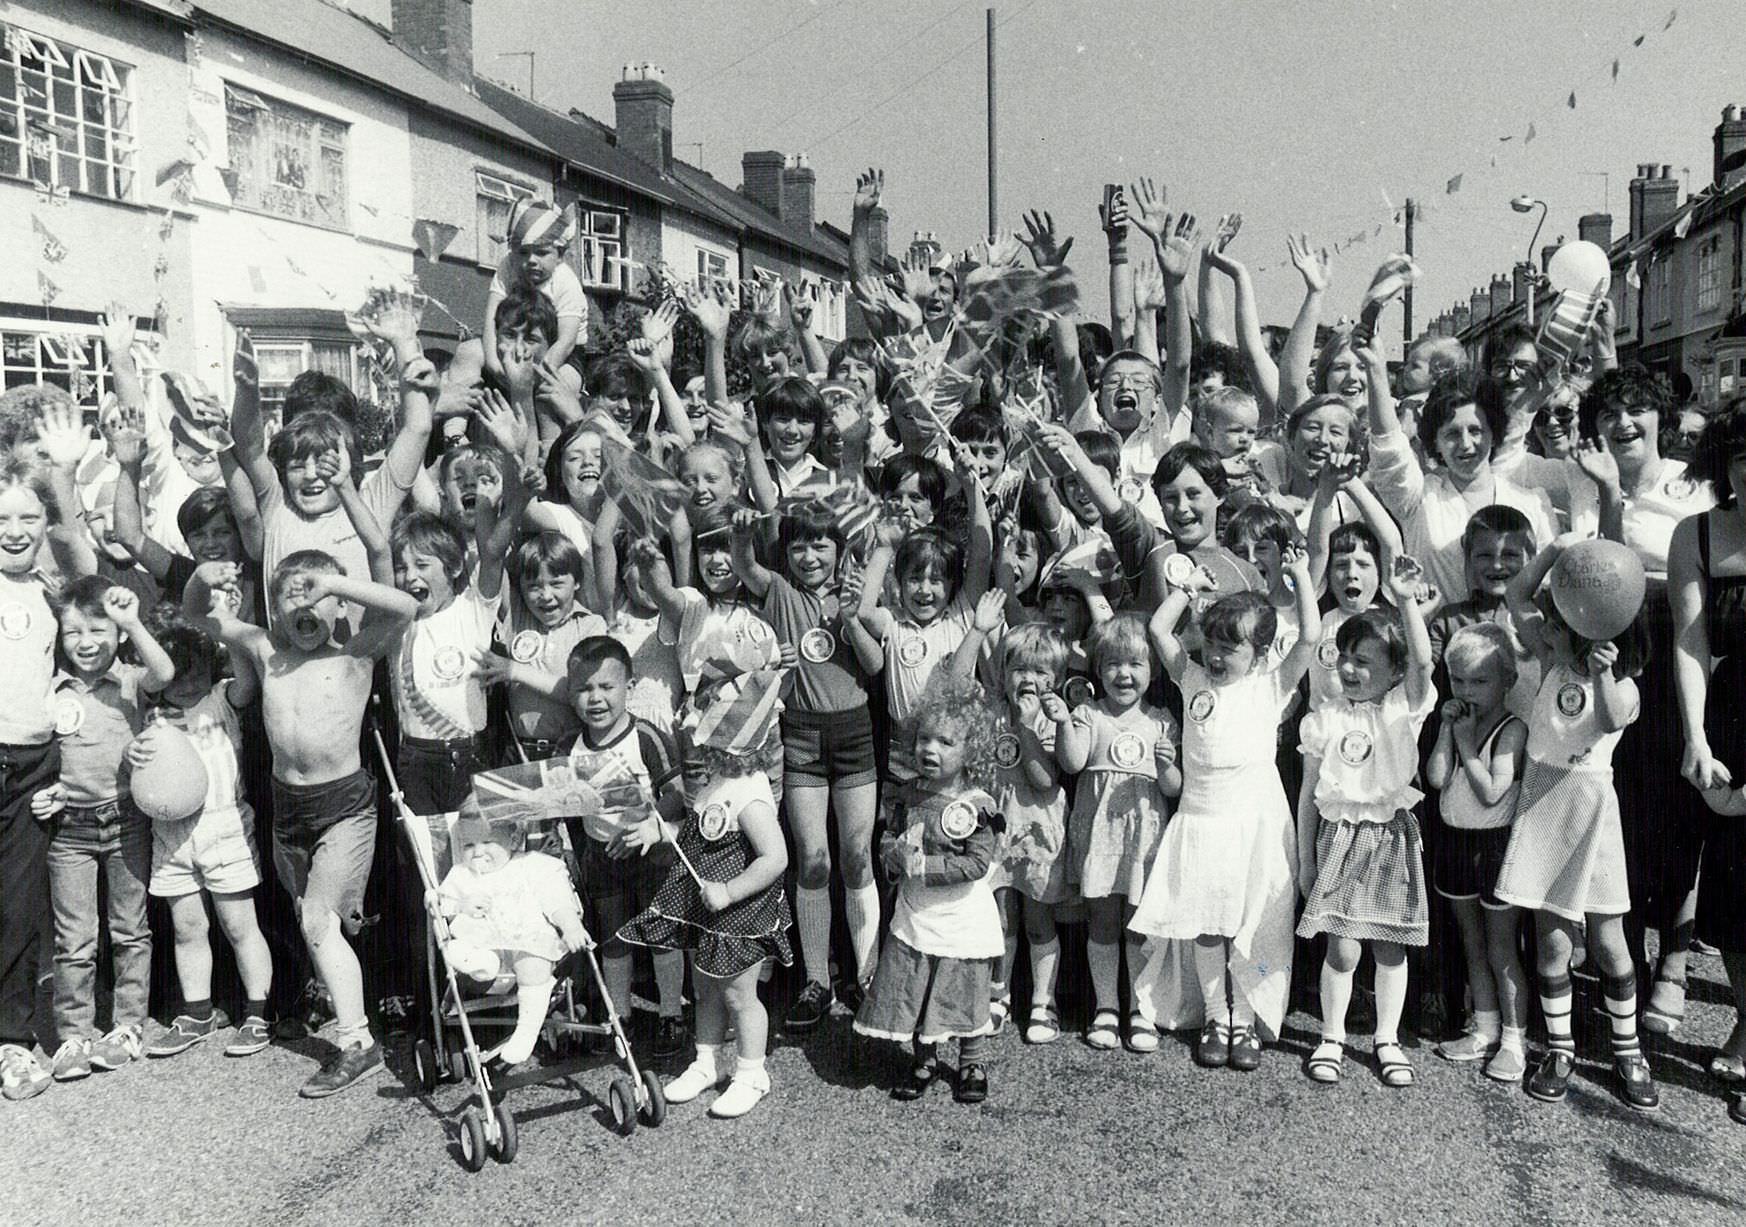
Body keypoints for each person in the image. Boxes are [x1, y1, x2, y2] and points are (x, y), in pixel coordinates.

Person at [192, 486, 419, 1097]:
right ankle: (351, 1019)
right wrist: (202, 576)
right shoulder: (268, 652)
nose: (308, 605)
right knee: (313, 919)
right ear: (276, 607)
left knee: (319, 920)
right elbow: (199, 616)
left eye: (320, 597)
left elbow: (403, 606)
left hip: (344, 803)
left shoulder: (356, 653)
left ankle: (357, 1040)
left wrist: (337, 584)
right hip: (287, 809)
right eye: (296, 595)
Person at [1569, 367, 1714, 1038]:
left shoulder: (1693, 486)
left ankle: (1677, 965)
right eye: (1610, 412)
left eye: (1637, 410)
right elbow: (1603, 572)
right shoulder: (1584, 483)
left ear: (1660, 417)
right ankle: (1618, 959)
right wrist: (1604, 493)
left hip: (1679, 645)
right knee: (1616, 806)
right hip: (1612, 650)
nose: (1623, 422)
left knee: (1682, 808)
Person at [1134, 552, 1320, 1070]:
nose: (1215, 657)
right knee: (1207, 923)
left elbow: (1308, 637)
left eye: (1230, 648)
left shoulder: (1271, 686)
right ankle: (1218, 1016)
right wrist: (1188, 588)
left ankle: (1247, 1021)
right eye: (1211, 644)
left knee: (1254, 922)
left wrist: (1302, 577)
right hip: (1201, 819)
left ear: (1259, 654)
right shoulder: (1192, 681)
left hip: (1255, 821)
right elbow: (1158, 628)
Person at [1494, 538, 1657, 1112]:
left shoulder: (1626, 683)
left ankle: (1627, 1048)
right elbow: (1517, 594)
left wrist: (1605, 674)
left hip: (1591, 809)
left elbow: (1610, 720)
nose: (1546, 627)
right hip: (1545, 805)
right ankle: (1559, 1047)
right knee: (1552, 943)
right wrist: (1556, 553)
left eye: (1559, 623)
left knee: (1611, 944)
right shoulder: (1549, 660)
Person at [730, 501, 879, 1027]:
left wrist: (853, 616)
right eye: (798, 546)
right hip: (802, 737)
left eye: (821, 545)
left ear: (839, 550)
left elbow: (875, 664)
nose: (810, 555)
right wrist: (743, 537)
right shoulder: (780, 591)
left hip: (856, 732)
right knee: (813, 859)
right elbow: (746, 566)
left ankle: (866, 975)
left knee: (857, 855)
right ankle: (817, 979)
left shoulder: (854, 592)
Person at [1296, 560, 1436, 1088]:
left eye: (1366, 661)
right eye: (1346, 659)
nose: (1351, 670)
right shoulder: (1325, 717)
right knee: (1342, 946)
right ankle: (1331, 1037)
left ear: (1394, 671)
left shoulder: (1405, 707)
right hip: (1338, 839)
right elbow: (1309, 795)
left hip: (1390, 838)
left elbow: (1423, 662)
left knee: (1388, 945)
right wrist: (1307, 860)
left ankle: (1386, 1039)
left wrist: (1403, 601)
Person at [620, 721, 793, 1120]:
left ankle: (752, 1074)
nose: (696, 751)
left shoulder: (750, 793)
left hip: (739, 910)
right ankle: (707, 1061)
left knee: (739, 994)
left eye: (706, 742)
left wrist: (730, 891)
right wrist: (661, 832)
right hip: (709, 908)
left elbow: (775, 858)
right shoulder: (718, 782)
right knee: (705, 988)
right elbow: (700, 834)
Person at [44, 581, 173, 1081]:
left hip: (126, 821)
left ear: (116, 635)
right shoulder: (53, 687)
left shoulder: (130, 680)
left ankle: (127, 1026)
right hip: (68, 827)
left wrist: (133, 621)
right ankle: (73, 1034)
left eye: (98, 629)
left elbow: (165, 671)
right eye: (73, 631)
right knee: (74, 939)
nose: (86, 640)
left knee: (129, 930)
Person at [854, 674, 1004, 1105]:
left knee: (961, 987)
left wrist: (928, 866)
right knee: (915, 983)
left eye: (945, 742)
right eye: (923, 739)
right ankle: (924, 1058)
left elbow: (976, 862)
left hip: (959, 916)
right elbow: (888, 837)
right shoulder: (906, 794)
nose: (930, 750)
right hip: (917, 911)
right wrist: (895, 855)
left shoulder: (977, 804)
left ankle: (971, 1059)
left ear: (970, 750)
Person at [135, 604, 275, 1063]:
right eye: (177, 674)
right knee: (188, 927)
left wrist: (226, 625)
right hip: (171, 834)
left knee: (239, 925)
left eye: (196, 670)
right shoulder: (150, 716)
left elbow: (249, 679)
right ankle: (198, 1012)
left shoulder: (221, 698)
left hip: (225, 826)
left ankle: (259, 1010)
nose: (188, 682)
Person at [0, 450, 95, 1102]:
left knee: (17, 908)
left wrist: (61, 478)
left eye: (27, 515)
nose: (13, 527)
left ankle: (10, 1038)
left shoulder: (46, 588)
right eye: (1, 514)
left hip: (32, 765)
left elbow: (88, 567)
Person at [1667, 398, 1746, 1124]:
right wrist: (1697, 735)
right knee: (1734, 901)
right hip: (1730, 721)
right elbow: (1691, 643)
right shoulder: (1697, 533)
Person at [1055, 615, 1181, 1053]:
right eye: (1111, 664)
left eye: (1135, 664)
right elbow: (1071, 764)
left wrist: (1166, 765)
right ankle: (1106, 1006)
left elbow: (1173, 788)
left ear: (1153, 671)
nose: (1123, 674)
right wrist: (1063, 723)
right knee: (1103, 922)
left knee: (1139, 926)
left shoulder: (1163, 721)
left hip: (1143, 840)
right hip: (1100, 836)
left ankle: (1140, 1008)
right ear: (1097, 669)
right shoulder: (1088, 714)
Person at [948, 605, 1072, 1043]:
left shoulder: (1052, 717)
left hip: (1035, 827)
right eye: (1018, 667)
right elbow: (955, 684)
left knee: (1038, 917)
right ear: (1002, 671)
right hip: (994, 828)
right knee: (999, 917)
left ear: (1054, 679)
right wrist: (979, 629)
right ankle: (998, 995)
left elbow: (1044, 780)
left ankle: (1043, 1001)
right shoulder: (991, 707)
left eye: (1039, 671)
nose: (1027, 679)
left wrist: (1025, 726)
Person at [560, 636, 689, 1056]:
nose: (595, 698)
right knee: (614, 937)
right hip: (602, 855)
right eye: (584, 689)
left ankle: (671, 1013)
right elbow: (563, 807)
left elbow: (677, 794)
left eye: (606, 687)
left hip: (653, 853)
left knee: (660, 934)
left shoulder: (646, 736)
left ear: (629, 689)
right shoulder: (570, 748)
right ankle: (621, 1018)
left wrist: (652, 821)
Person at [1426, 622, 1530, 1083]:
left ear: (1508, 681)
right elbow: (1434, 777)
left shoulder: (1512, 729)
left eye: (1479, 681)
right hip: (1456, 842)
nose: (1467, 690)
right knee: (1471, 940)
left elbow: (1491, 792)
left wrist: (1468, 742)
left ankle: (1514, 1040)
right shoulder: (1457, 722)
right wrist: (1450, 732)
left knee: (1501, 946)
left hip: (1495, 846)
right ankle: (1484, 1027)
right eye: (1458, 680)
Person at [1364, 367, 1555, 609]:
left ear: (1494, 435)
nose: (1465, 445)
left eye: (1476, 431)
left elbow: (1548, 588)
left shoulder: (1532, 503)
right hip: (1434, 641)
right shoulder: (1419, 500)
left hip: (1517, 643)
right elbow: (1389, 451)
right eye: (1452, 434)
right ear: (1436, 441)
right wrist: (1374, 367)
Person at [430, 807, 587, 1066]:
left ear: (513, 840)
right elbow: (443, 906)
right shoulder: (461, 875)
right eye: (468, 845)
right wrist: (461, 905)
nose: (477, 852)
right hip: (486, 950)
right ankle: (482, 963)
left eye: (487, 842)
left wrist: (570, 926)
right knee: (463, 944)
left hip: (529, 944)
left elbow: (558, 900)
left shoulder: (533, 865)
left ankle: (526, 1030)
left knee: (530, 955)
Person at [481, 199, 586, 393]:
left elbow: (566, 341)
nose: (531, 260)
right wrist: (493, 363)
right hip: (513, 342)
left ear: (560, 256)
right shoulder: (508, 266)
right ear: (513, 253)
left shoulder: (566, 282)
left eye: (541, 253)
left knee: (557, 387)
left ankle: (549, 422)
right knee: (467, 353)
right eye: (523, 253)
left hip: (560, 353)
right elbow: (491, 319)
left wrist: (535, 376)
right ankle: (454, 422)